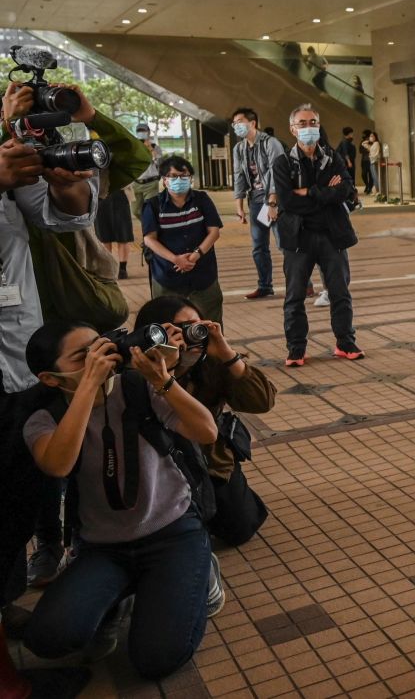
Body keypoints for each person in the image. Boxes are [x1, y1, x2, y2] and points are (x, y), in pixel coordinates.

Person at [19, 320, 220, 680]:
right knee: (47, 638)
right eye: (84, 356)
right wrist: (88, 388)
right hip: (103, 548)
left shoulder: (139, 389)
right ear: (50, 378)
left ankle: (201, 574)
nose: (101, 359)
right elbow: (57, 463)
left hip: (173, 533)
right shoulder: (44, 418)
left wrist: (164, 380)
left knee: (156, 658)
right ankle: (118, 599)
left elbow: (206, 431)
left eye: (101, 346)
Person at [0, 83, 99, 686]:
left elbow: (66, 215)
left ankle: (7, 594)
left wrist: (67, 182)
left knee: (19, 490)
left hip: (18, 358)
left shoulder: (13, 145)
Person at [135, 296, 276, 546]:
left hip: (209, 462)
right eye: (181, 329)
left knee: (239, 528)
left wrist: (228, 355)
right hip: (156, 466)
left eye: (197, 326)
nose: (193, 335)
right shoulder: (140, 366)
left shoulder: (212, 361)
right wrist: (167, 371)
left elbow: (262, 402)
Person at [272, 104, 362, 367]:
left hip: (331, 236)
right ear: (292, 129)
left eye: (313, 122)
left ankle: (345, 343)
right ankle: (296, 349)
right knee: (295, 295)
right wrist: (325, 193)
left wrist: (310, 192)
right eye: (302, 124)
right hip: (298, 238)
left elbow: (345, 190)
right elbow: (288, 201)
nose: (309, 128)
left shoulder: (331, 156)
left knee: (340, 292)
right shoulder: (283, 162)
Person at [141, 157, 224, 326]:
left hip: (203, 274)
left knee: (210, 324)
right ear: (164, 180)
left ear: (191, 178)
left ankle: (215, 352)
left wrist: (195, 256)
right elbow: (149, 239)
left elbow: (214, 232)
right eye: (173, 176)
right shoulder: (153, 205)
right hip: (167, 275)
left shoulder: (202, 200)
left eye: (183, 176)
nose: (179, 180)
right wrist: (176, 259)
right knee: (166, 326)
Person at [231, 107, 285, 301]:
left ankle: (303, 284)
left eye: (239, 122)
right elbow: (239, 177)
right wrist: (239, 206)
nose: (236, 126)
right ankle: (265, 286)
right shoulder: (239, 149)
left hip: (274, 199)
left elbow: (278, 174)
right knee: (259, 247)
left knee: (284, 244)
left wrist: (272, 202)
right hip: (255, 200)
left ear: (252, 123)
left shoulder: (271, 143)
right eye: (234, 123)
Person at [129, 123, 162, 219]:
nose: (141, 133)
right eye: (139, 131)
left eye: (143, 131)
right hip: (136, 183)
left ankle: (152, 230)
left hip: (151, 183)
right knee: (135, 211)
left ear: (148, 132)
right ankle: (148, 226)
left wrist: (150, 148)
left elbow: (158, 160)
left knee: (151, 208)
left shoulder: (155, 146)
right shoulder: (133, 146)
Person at [364, 131, 382, 197]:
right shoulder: (372, 144)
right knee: (374, 177)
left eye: (372, 136)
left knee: (376, 176)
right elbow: (363, 144)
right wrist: (368, 141)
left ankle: (378, 191)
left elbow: (377, 153)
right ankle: (376, 191)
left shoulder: (376, 143)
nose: (371, 137)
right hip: (371, 161)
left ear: (375, 137)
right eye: (370, 136)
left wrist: (371, 156)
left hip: (374, 161)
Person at [358, 129, 374, 195]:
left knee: (371, 175)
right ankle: (367, 185)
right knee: (363, 174)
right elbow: (360, 150)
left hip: (370, 160)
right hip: (364, 160)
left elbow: (372, 150)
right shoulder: (363, 142)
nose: (363, 136)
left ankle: (369, 188)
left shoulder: (372, 142)